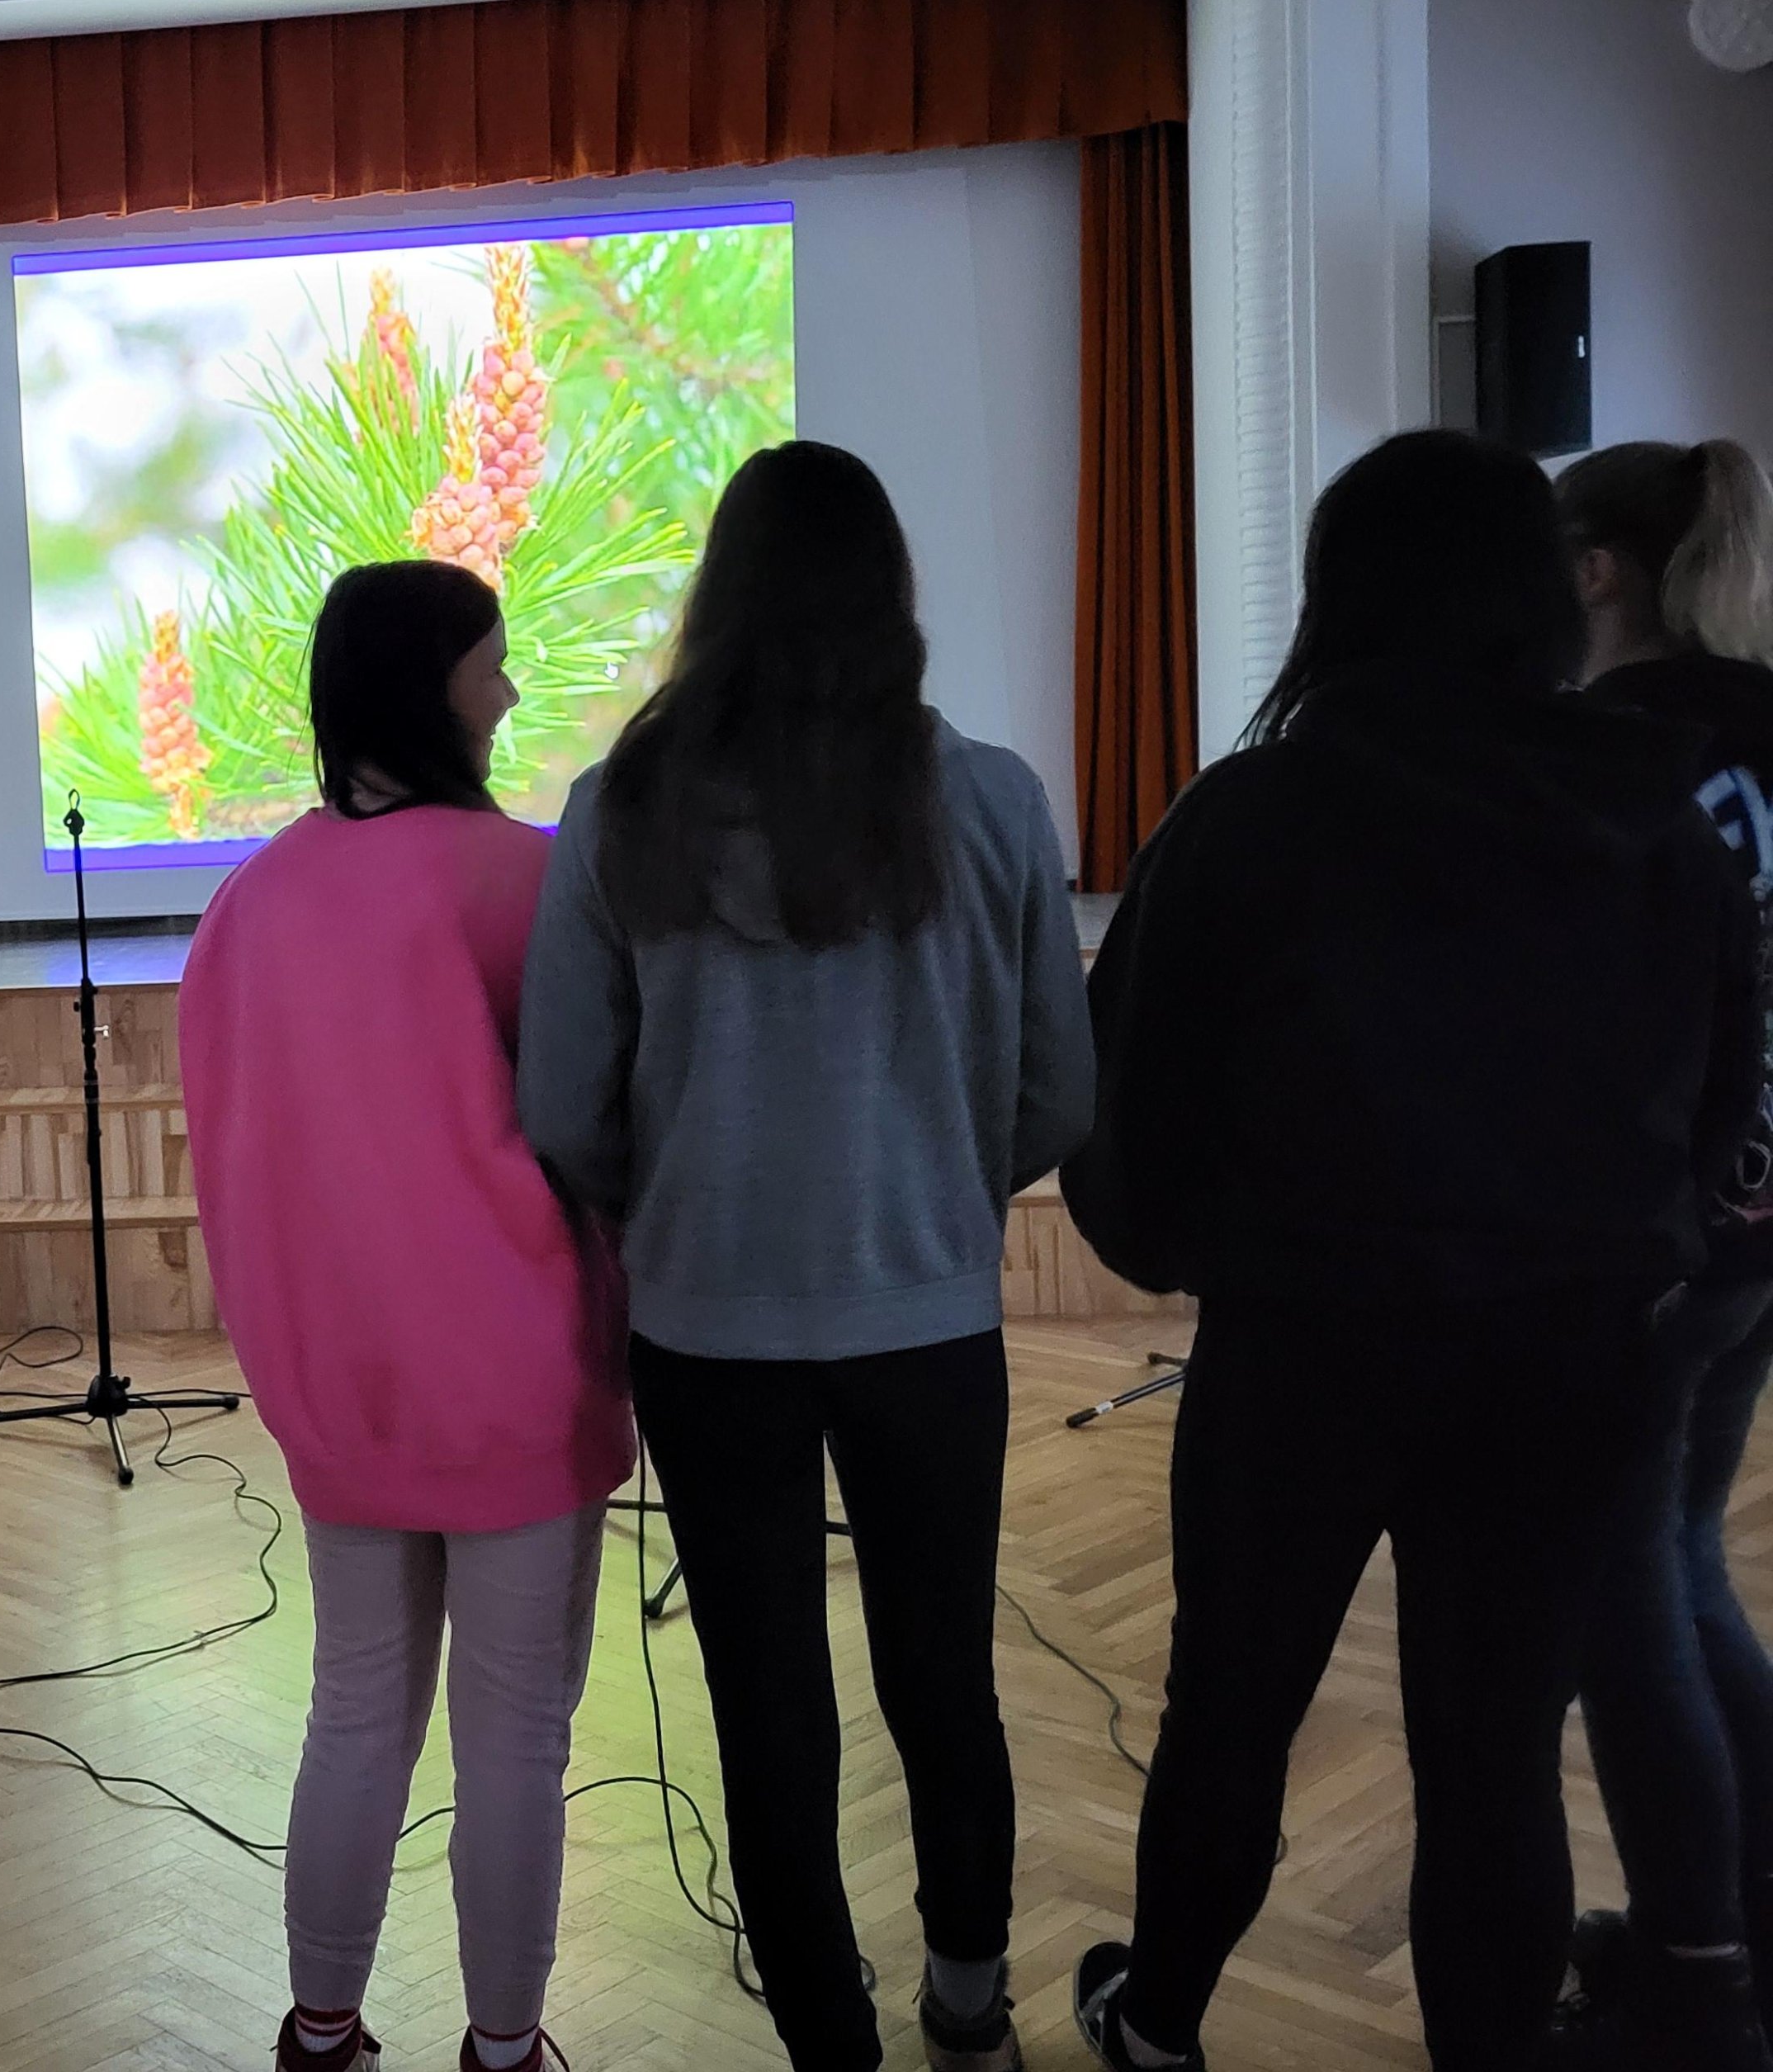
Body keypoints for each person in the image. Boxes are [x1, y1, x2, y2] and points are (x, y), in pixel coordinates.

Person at [1059, 430, 1759, 2072]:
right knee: (1493, 1758)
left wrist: (1206, 1249)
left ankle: (1155, 2028)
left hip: (1303, 1356)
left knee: (1229, 1721)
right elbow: (1719, 1117)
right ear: (1541, 595)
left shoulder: (1251, 817)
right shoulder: (1661, 826)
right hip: (1575, 1368)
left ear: (1337, 594)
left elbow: (1123, 1129)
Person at [519, 441, 1092, 2072]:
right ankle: (969, 2011)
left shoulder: (619, 809)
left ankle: (830, 2046)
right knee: (943, 1677)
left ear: (720, 599)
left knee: (765, 1706)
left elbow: (563, 1104)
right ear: (890, 596)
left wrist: (673, 1199)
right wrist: (937, 1189)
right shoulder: (991, 799)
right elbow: (1060, 1091)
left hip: (704, 1332)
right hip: (927, 1320)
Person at [183, 561, 633, 2072]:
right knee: (515, 1736)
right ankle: (506, 2050)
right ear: (432, 689)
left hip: (337, 1387)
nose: (509, 691)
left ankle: (320, 2034)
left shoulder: (245, 905)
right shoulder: (526, 880)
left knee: (355, 1711)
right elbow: (600, 1126)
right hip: (521, 1378)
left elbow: (232, 1156)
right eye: (490, 664)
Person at [1547, 438, 1773, 2071]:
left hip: (1655, 1236)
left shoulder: (1606, 755)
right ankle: (1742, 1923)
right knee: (1681, 1557)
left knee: (1620, 1596)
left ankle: (1694, 1984)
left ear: (1597, 572)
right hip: (1761, 1231)